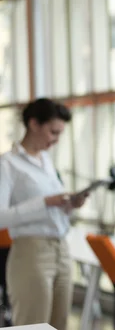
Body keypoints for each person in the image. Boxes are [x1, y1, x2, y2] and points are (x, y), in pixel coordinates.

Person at [0, 98, 88, 330]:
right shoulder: (7, 164)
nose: (56, 140)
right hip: (31, 252)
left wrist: (69, 204)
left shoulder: (47, 162)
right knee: (33, 326)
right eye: (53, 132)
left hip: (61, 249)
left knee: (60, 325)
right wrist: (45, 202)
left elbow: (52, 210)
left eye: (60, 134)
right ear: (34, 124)